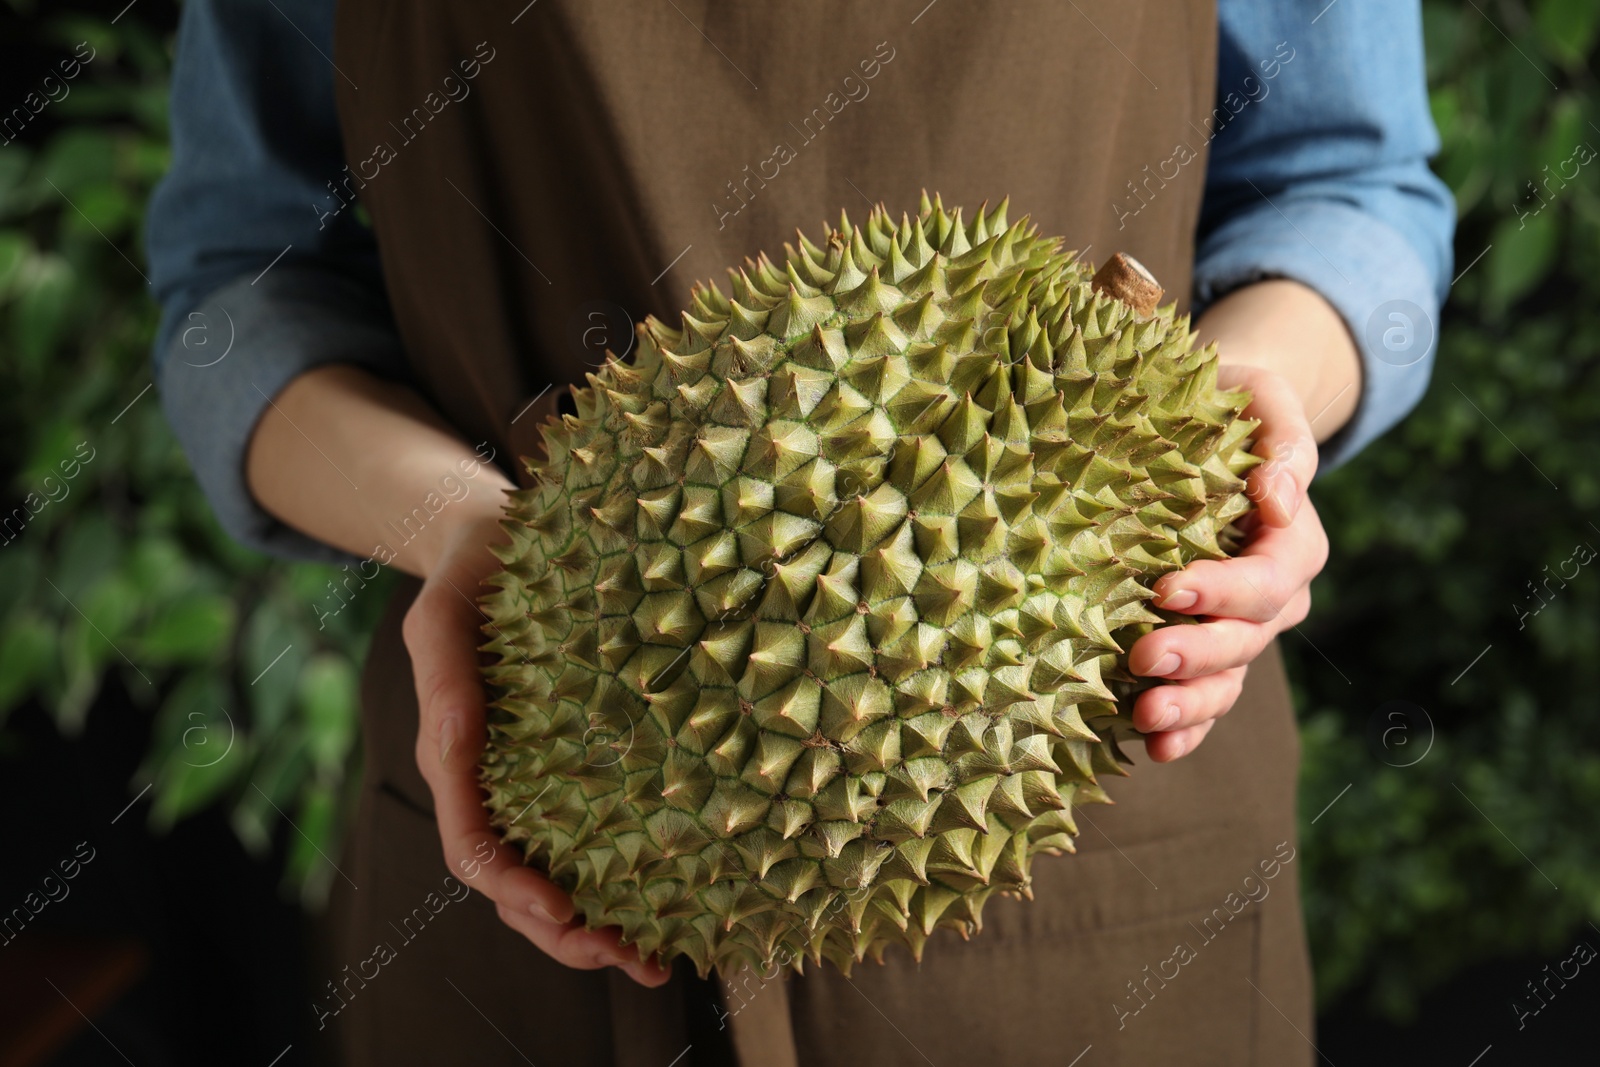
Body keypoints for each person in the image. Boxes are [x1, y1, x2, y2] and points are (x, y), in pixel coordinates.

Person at [146, 2, 1453, 1063]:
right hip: (522, 811)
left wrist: (1235, 417)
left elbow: (1350, 183)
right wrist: (454, 527)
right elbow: (241, 275)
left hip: (1099, 842)